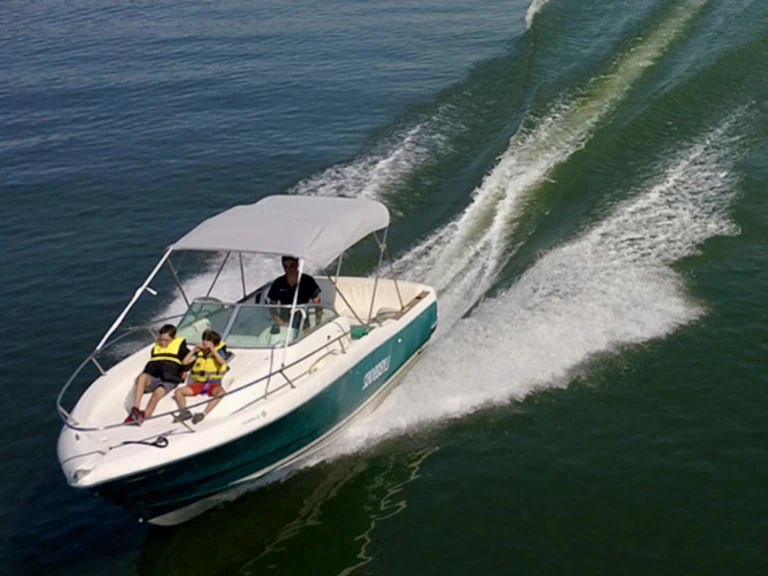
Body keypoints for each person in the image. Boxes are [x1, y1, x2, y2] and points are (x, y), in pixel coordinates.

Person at [126, 324, 191, 424]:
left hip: (169, 380)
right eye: (161, 339)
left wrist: (186, 370)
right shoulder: (155, 348)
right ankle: (135, 409)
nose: (162, 342)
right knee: (142, 377)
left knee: (157, 394)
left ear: (173, 338)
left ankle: (144, 416)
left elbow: (191, 359)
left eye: (166, 340)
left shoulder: (181, 348)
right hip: (154, 377)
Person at [174, 329, 230, 425]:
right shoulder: (198, 353)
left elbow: (222, 362)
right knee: (179, 391)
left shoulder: (218, 352)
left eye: (208, 342)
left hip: (213, 383)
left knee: (221, 393)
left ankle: (203, 414)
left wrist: (212, 350)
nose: (205, 344)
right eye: (204, 341)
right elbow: (185, 362)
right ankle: (184, 412)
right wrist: (194, 349)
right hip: (199, 384)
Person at [267, 255, 322, 330]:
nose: (288, 269)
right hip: (285, 321)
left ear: (297, 265)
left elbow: (317, 302)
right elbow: (271, 305)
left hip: (303, 321)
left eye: (292, 266)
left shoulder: (308, 281)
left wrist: (318, 324)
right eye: (285, 267)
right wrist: (280, 322)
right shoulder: (278, 283)